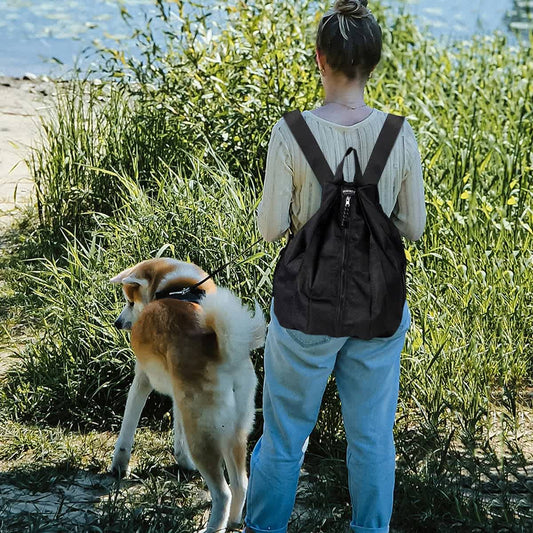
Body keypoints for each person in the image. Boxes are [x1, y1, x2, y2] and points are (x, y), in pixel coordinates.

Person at [243, 1, 426, 532]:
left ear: (320, 59)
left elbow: (269, 228)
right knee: (372, 438)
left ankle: (264, 528)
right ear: (374, 64)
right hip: (378, 309)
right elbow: (412, 227)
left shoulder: (291, 132)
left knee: (284, 438)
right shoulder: (399, 134)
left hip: (305, 308)